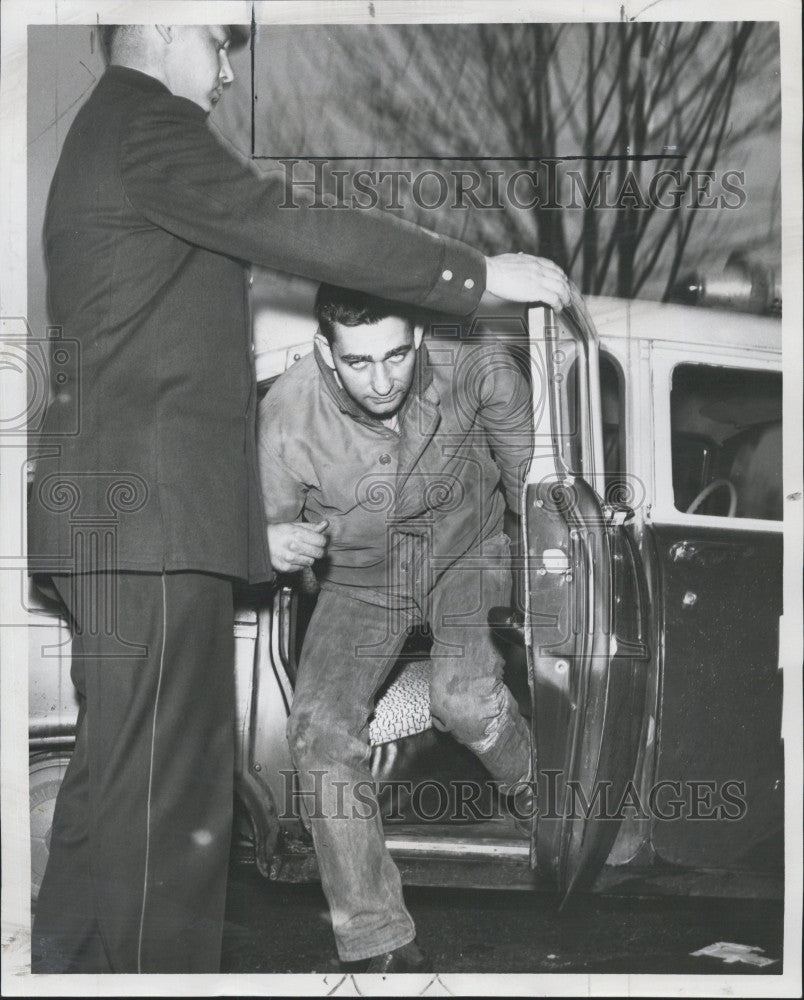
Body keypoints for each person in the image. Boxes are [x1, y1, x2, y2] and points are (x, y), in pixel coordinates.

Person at [27, 23, 570, 974]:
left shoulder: (103, 138)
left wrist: (252, 535)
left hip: (122, 521)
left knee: (111, 800)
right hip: (148, 526)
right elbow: (288, 221)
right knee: (167, 807)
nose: (229, 68)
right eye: (219, 41)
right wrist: (474, 275)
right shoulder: (146, 122)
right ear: (160, 21)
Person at [257, 283, 537, 971]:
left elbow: (529, 483)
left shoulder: (479, 365)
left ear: (419, 336)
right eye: (358, 363)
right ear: (325, 348)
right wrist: (268, 540)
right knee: (317, 733)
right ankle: (378, 940)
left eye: (397, 356)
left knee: (464, 700)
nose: (382, 381)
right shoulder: (287, 416)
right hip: (363, 580)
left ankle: (543, 796)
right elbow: (263, 529)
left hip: (465, 553)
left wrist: (541, 553)